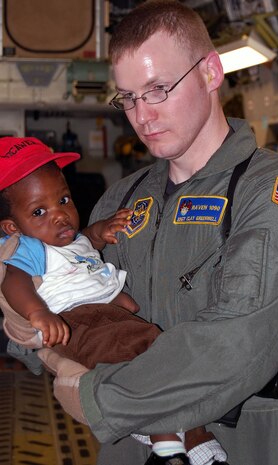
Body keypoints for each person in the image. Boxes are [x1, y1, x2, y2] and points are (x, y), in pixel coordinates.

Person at [5, 1, 278, 464]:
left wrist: (98, 398)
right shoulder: (123, 199)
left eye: (158, 89)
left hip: (247, 438)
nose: (141, 116)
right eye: (127, 97)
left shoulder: (272, 193)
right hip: (133, 443)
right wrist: (25, 329)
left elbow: (237, 343)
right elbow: (75, 310)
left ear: (210, 73)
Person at [0, 136, 229, 465]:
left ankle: (190, 436)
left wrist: (101, 230)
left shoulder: (69, 239)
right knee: (143, 354)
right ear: (13, 227)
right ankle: (166, 443)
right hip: (77, 323)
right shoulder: (31, 249)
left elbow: (87, 240)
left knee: (161, 356)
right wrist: (38, 312)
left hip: (104, 317)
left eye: (63, 199)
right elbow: (14, 282)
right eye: (39, 211)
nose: (60, 215)